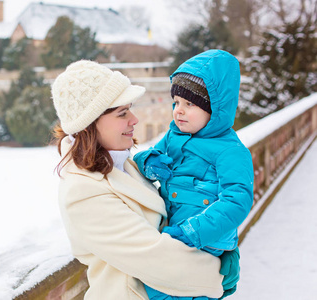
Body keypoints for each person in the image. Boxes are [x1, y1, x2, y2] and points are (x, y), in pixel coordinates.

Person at [51, 60, 240, 300]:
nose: (134, 119)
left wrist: (222, 244)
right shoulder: (82, 191)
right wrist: (220, 273)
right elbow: (158, 259)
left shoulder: (123, 164)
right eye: (122, 113)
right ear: (90, 123)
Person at [133, 50, 254, 300]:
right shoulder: (173, 136)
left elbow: (237, 200)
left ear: (215, 109)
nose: (179, 111)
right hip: (171, 235)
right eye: (176, 102)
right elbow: (144, 156)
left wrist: (194, 231)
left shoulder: (230, 151)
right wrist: (149, 161)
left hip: (205, 243)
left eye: (190, 104)